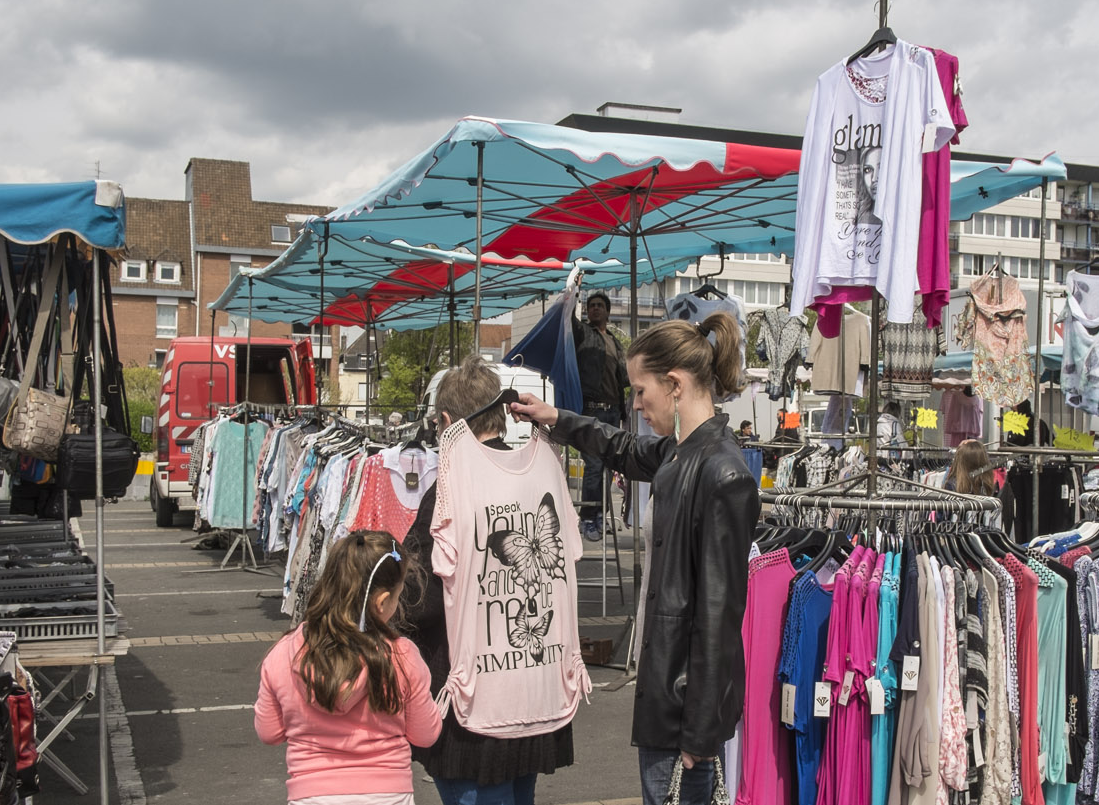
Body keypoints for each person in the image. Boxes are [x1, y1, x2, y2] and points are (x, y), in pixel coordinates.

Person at [509, 311, 758, 805]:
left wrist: (699, 733)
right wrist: (557, 419)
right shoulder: (681, 451)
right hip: (668, 698)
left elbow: (719, 616)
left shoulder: (723, 474)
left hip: (683, 713)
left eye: (642, 391)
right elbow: (621, 447)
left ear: (675, 384)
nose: (637, 404)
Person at [398, 356, 574, 805]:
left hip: (471, 708)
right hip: (534, 688)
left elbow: (420, 597)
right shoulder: (539, 473)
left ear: (445, 422)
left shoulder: (452, 487)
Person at [255, 529, 442, 805]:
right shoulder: (402, 656)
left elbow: (269, 733)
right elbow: (425, 735)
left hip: (311, 795)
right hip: (388, 795)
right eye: (398, 595)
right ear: (381, 602)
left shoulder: (285, 654)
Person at [573, 291, 628, 541]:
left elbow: (623, 378)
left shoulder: (615, 342)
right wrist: (573, 292)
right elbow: (569, 323)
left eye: (599, 306)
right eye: (590, 306)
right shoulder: (583, 333)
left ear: (607, 311)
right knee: (594, 464)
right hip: (591, 409)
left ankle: (598, 514)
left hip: (612, 411)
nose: (594, 309)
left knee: (608, 466)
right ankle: (587, 517)